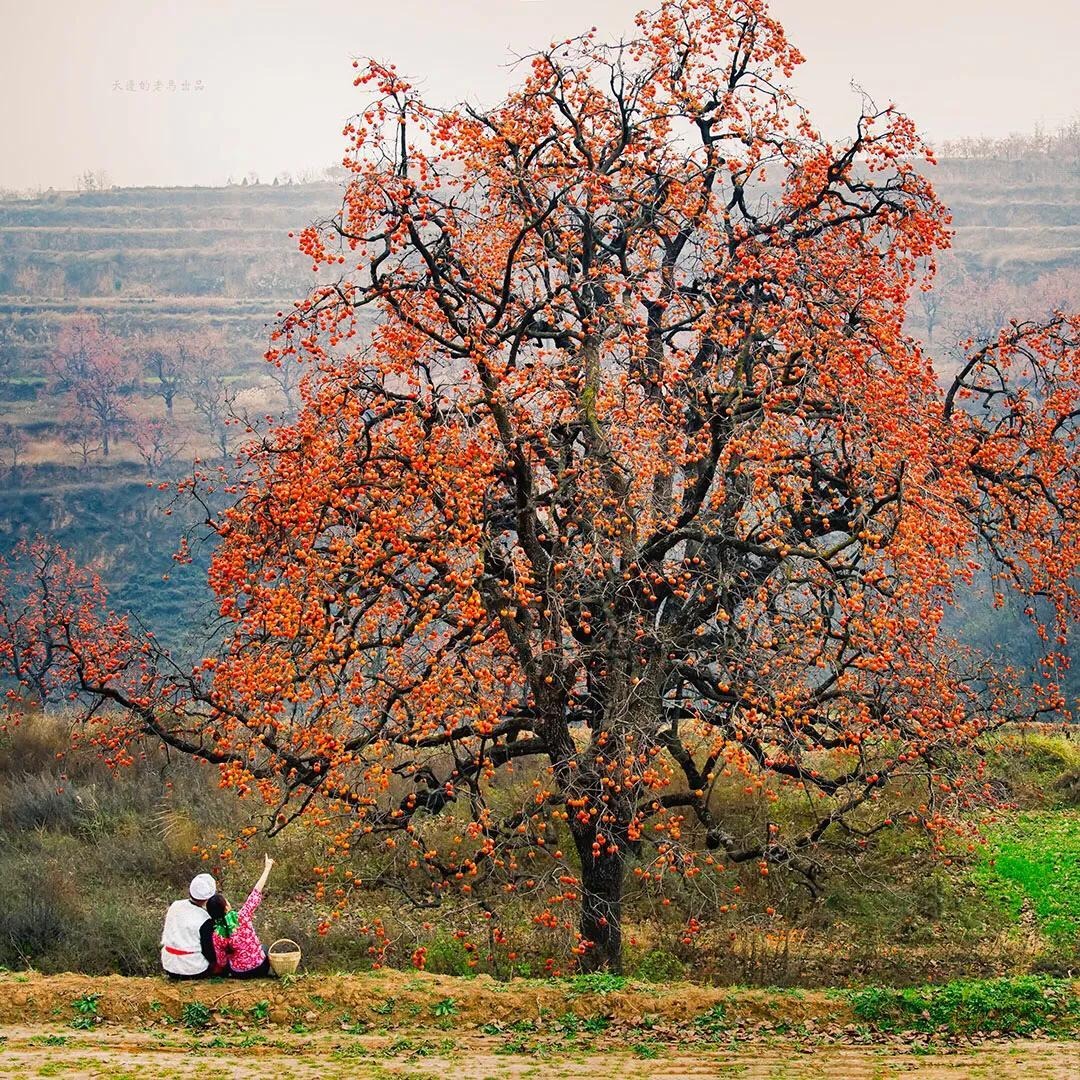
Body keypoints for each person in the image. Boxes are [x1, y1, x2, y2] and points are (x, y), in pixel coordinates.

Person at [207, 855, 275, 978]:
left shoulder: (217, 935)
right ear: (226, 908)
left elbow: (221, 962)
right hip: (261, 968)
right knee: (264, 948)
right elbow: (256, 893)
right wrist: (267, 868)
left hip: (239, 974)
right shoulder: (241, 917)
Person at [160, 872, 219, 979]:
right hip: (193, 969)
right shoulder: (205, 919)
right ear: (210, 897)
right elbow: (208, 951)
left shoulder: (175, 905)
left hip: (169, 965)